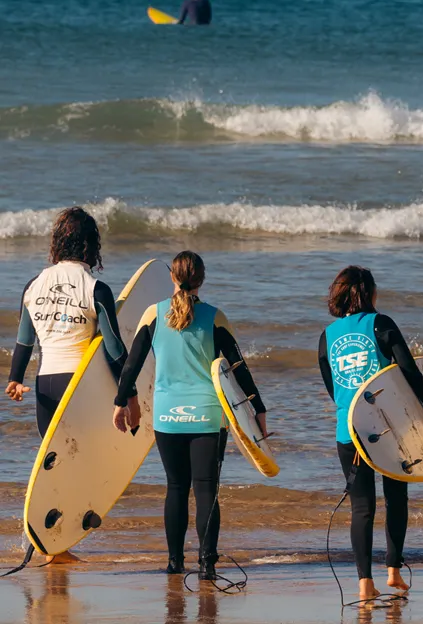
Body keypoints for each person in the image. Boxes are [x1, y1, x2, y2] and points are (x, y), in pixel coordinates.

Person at [112, 251, 267, 579]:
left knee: (176, 487)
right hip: (207, 416)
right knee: (206, 489)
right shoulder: (214, 316)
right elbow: (238, 367)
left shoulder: (153, 314)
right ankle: (207, 565)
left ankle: (174, 563)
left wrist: (120, 401)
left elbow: (132, 364)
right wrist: (258, 408)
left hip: (167, 416)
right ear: (202, 279)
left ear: (172, 276)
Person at [6, 207, 127, 564]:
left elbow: (24, 342)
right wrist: (129, 393)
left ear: (57, 242)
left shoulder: (34, 285)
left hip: (45, 385)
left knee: (55, 467)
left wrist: (14, 379)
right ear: (91, 245)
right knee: (81, 464)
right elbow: (114, 349)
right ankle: (57, 545)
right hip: (81, 387)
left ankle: (53, 546)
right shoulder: (96, 288)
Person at [318, 266, 423, 601]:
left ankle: (364, 582)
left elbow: (333, 389)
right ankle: (393, 570)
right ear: (368, 292)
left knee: (361, 508)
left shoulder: (327, 336)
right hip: (389, 427)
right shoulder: (380, 323)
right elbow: (410, 371)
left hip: (349, 431)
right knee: (396, 498)